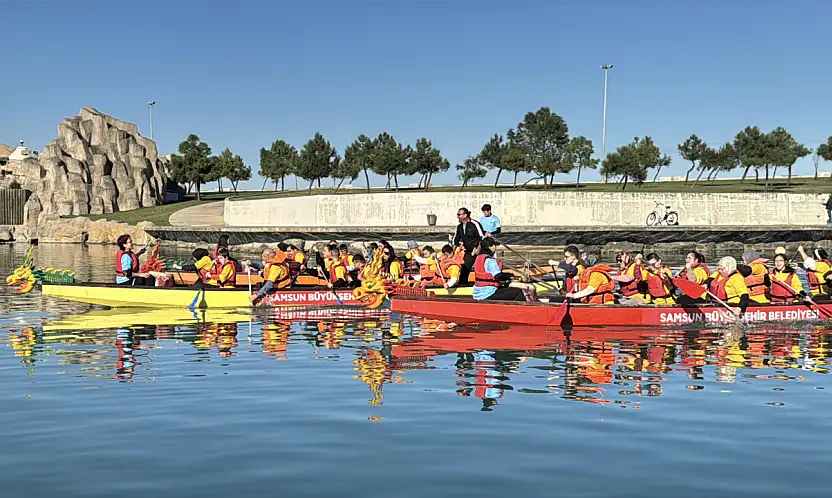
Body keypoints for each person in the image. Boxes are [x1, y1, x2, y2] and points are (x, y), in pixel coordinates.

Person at [453, 207, 485, 283]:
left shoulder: (475, 224)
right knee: (465, 268)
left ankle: (483, 282)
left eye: (459, 214)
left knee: (481, 267)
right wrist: (452, 253)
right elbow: (455, 240)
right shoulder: (459, 227)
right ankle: (462, 284)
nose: (458, 216)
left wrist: (478, 249)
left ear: (465, 215)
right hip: (468, 251)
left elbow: (482, 237)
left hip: (479, 249)